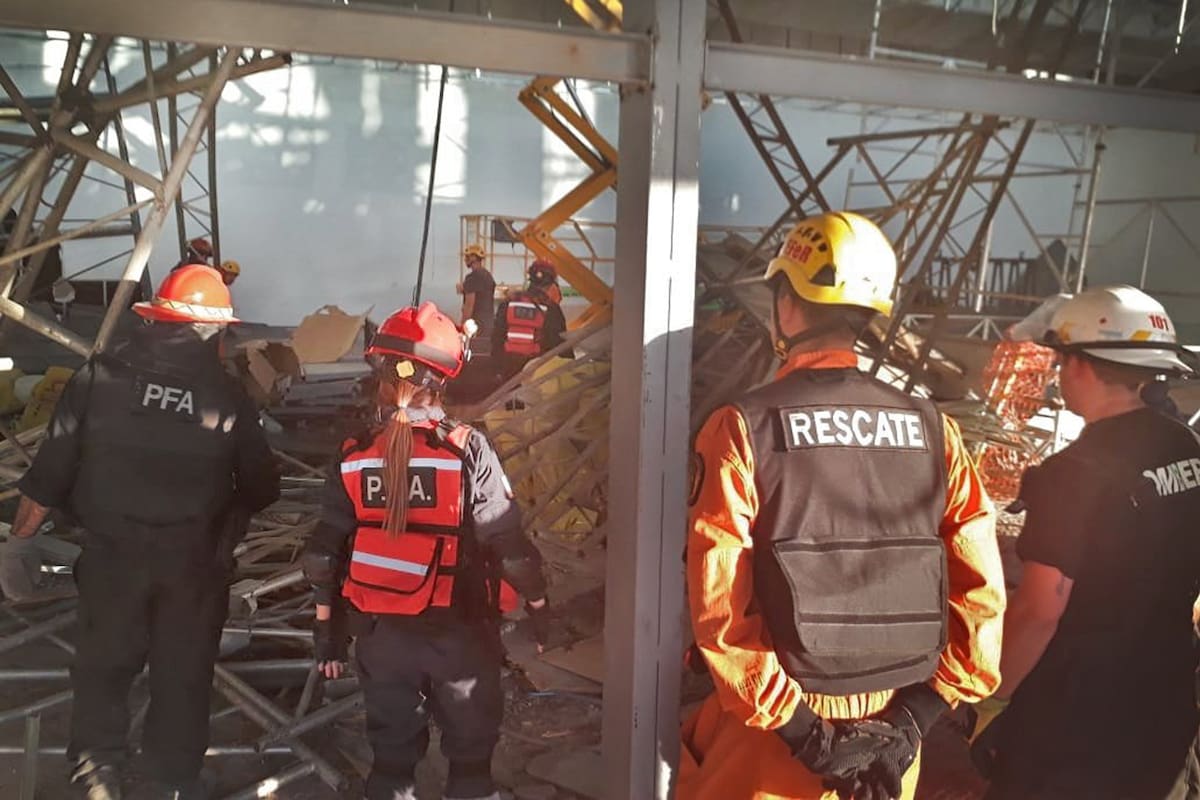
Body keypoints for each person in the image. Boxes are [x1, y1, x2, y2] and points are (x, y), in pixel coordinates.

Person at [678, 211, 1007, 800]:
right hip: (891, 743)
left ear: (786, 302)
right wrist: (913, 722)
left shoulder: (741, 429)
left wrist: (809, 736)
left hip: (774, 735)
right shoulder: (936, 431)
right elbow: (981, 595)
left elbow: (719, 605)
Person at [11, 264, 280, 800]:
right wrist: (225, 519)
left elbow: (49, 475)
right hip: (194, 566)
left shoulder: (99, 377)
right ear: (215, 332)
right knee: (182, 675)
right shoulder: (226, 397)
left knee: (103, 665)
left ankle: (97, 771)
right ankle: (173, 778)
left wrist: (18, 543)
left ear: (155, 320)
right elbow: (262, 485)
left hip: (113, 558)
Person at [301, 301, 551, 800]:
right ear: (443, 380)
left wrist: (328, 632)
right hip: (457, 634)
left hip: (380, 634)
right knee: (470, 757)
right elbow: (508, 545)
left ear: (379, 371)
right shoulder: (465, 449)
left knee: (391, 761)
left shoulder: (352, 452)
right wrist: (541, 606)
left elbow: (323, 554)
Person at [972, 285, 1200, 800]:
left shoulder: (1070, 474)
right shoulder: (1187, 447)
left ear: (1078, 365)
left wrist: (992, 700)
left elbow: (1039, 612)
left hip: (1076, 724)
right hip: (1166, 703)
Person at [493, 260, 567, 379]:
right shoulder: (551, 308)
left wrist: (497, 370)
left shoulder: (508, 303)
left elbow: (496, 338)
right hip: (535, 372)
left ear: (530, 280)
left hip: (507, 369)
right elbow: (560, 344)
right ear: (551, 284)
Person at [457, 244, 496, 354]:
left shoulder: (472, 278)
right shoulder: (488, 276)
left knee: (473, 356)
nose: (465, 260)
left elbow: (469, 304)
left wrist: (462, 326)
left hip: (476, 326)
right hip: (488, 324)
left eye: (467, 257)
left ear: (473, 258)